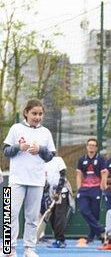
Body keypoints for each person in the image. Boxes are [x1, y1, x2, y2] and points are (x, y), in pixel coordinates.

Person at [3, 99, 56, 257]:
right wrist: (19, 148)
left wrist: (40, 149)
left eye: (40, 114)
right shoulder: (16, 128)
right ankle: (9, 249)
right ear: (26, 112)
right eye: (34, 113)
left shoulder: (45, 132)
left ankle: (29, 248)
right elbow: (6, 151)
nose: (37, 117)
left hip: (37, 180)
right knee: (10, 213)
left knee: (32, 217)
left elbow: (50, 156)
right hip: (16, 180)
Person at [76, 138, 108, 243]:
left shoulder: (101, 159)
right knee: (83, 210)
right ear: (86, 146)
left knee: (95, 213)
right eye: (89, 145)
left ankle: (91, 236)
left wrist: (103, 187)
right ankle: (101, 230)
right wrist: (79, 188)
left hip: (96, 189)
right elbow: (79, 175)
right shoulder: (81, 159)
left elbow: (104, 174)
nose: (91, 146)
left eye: (93, 145)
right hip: (84, 189)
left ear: (96, 147)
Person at [42, 155, 75, 249]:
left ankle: (60, 240)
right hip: (50, 193)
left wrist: (58, 191)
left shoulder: (58, 159)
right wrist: (48, 195)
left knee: (59, 216)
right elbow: (44, 181)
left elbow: (63, 175)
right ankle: (60, 239)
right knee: (52, 218)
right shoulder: (41, 163)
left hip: (62, 191)